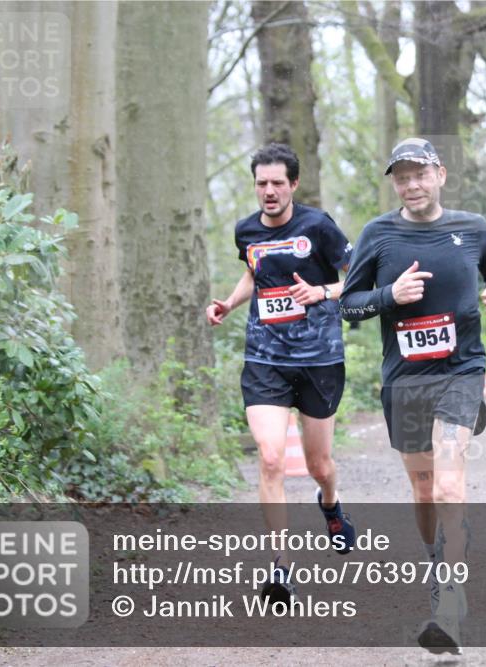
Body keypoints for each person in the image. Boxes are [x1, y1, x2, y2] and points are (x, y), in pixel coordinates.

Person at [339, 137, 486, 654]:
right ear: (395, 182)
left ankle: (449, 604)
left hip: (461, 373)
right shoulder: (379, 234)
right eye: (402, 176)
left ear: (439, 174)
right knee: (423, 490)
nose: (412, 184)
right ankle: (439, 561)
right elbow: (347, 306)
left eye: (420, 174)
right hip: (405, 382)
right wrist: (389, 296)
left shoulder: (472, 228)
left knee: (449, 485)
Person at [206, 143, 356, 606]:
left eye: (277, 183)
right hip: (266, 360)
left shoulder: (319, 226)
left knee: (318, 466)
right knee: (271, 458)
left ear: (293, 184)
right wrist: (230, 303)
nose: (268, 191)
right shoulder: (246, 231)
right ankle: (280, 568)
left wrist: (322, 292)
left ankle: (330, 504)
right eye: (261, 183)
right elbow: (255, 273)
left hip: (319, 360)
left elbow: (356, 279)